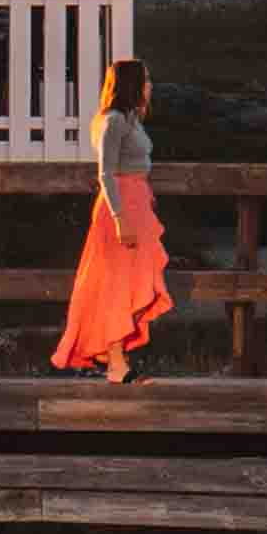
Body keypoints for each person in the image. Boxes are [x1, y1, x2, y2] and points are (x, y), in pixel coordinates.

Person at [51, 52, 169, 383]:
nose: (150, 86)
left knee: (131, 283)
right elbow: (105, 174)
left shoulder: (131, 119)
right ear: (131, 84)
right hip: (119, 212)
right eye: (145, 80)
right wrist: (120, 218)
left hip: (136, 205)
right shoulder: (113, 121)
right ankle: (116, 362)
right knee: (115, 285)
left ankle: (118, 359)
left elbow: (133, 168)